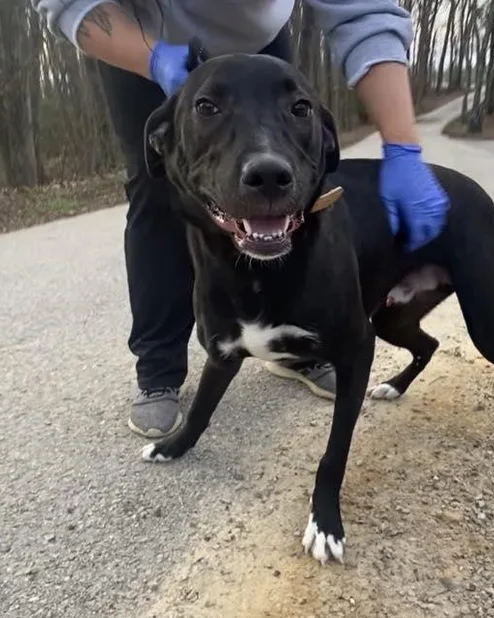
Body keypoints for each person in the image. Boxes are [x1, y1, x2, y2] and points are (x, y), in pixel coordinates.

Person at [32, 0, 450, 438]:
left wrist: (403, 147)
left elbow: (363, 13)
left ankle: (296, 345)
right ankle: (159, 368)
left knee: (290, 191)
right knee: (155, 193)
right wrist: (153, 59)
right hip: (136, 36)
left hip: (261, 42)